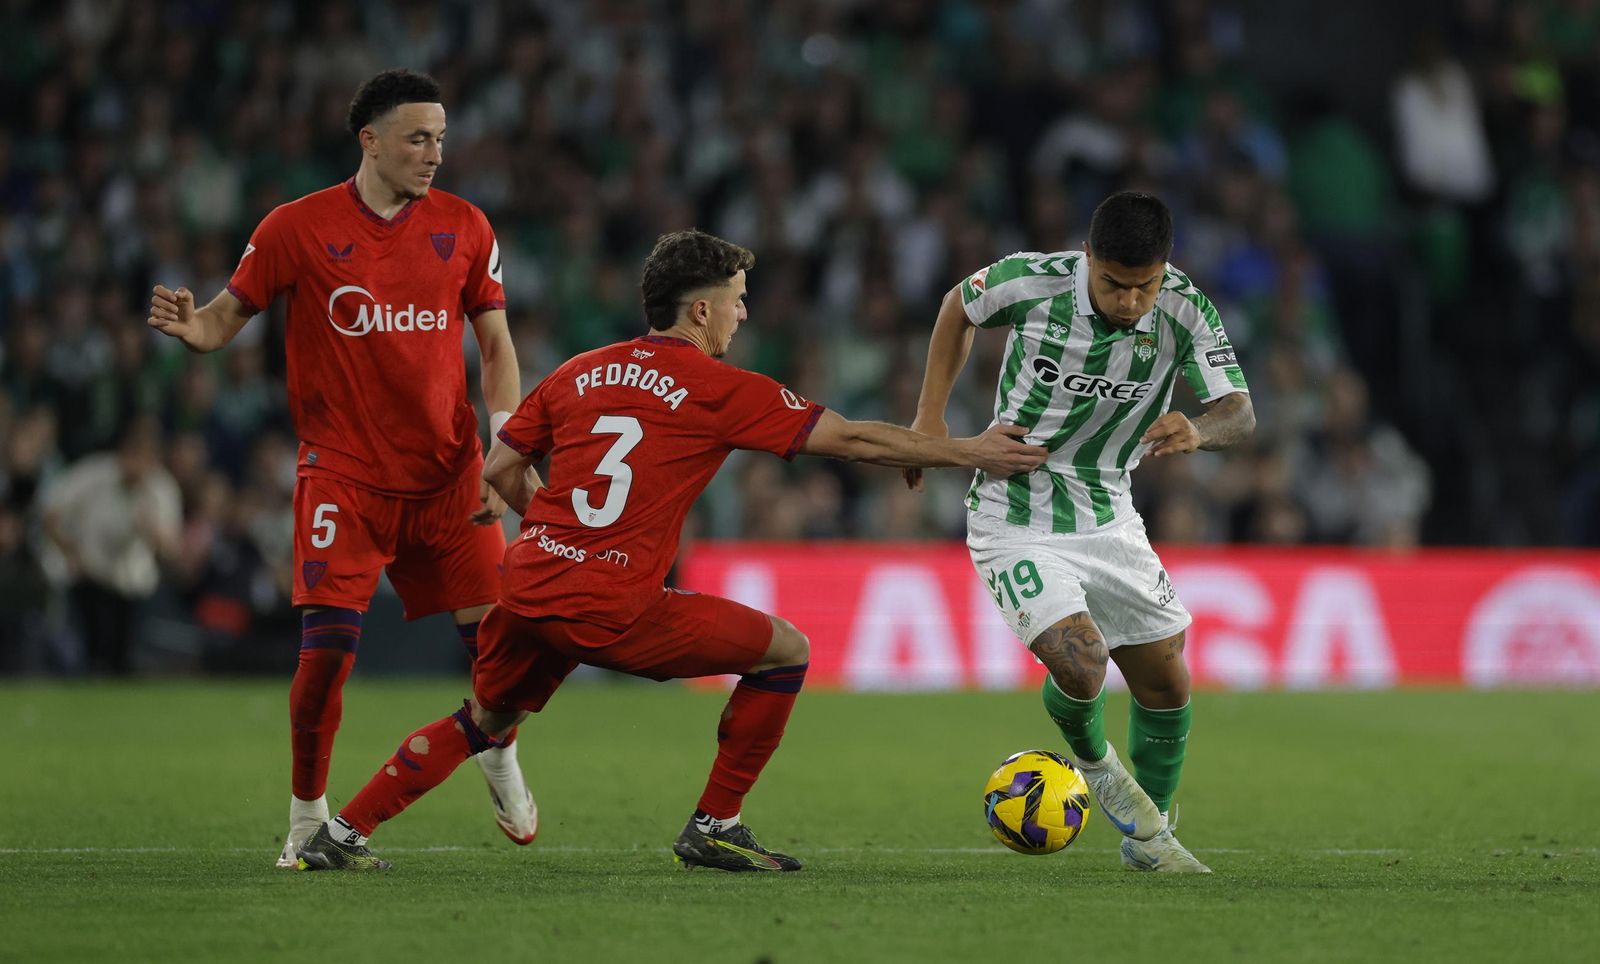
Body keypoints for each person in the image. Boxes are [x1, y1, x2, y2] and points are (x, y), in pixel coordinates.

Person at [293, 229, 1048, 872]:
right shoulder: (717, 387)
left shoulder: (579, 370)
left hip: (527, 585)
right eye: (736, 298)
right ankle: (714, 823)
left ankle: (342, 831)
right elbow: (847, 438)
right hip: (616, 605)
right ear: (699, 309)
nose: (743, 312)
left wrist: (555, 526)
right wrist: (968, 450)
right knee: (785, 649)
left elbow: (497, 470)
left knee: (481, 722)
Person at [146, 69, 536, 867]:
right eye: (418, 138)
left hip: (449, 475)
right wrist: (195, 331)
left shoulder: (464, 227)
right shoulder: (297, 226)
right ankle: (304, 821)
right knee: (325, 659)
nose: (434, 154)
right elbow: (228, 315)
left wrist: (503, 441)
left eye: (441, 138)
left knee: (500, 654)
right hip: (345, 476)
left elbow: (495, 345)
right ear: (371, 140)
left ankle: (497, 749)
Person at [905, 191, 1254, 873]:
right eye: (1113, 284)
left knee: (1167, 683)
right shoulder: (1031, 282)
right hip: (1016, 514)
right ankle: (1100, 771)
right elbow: (957, 306)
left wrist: (1199, 428)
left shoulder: (1186, 307)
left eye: (1143, 287)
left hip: (1110, 512)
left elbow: (1240, 412)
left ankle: (1147, 843)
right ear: (1086, 257)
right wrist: (929, 423)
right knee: (1082, 657)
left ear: (1166, 270)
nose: (1129, 301)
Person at [40, 416, 181, 674]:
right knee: (93, 655)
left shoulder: (161, 488)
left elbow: (170, 550)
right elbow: (50, 512)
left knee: (124, 658)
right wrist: (69, 550)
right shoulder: (97, 473)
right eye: (132, 454)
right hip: (91, 576)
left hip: (134, 584)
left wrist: (151, 530)